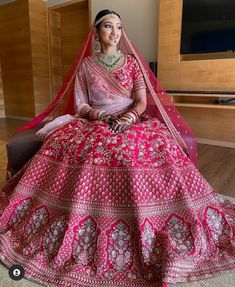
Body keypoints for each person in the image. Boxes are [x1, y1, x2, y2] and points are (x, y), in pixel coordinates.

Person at [0, 9, 235, 287]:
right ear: (97, 32)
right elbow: (81, 103)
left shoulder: (133, 63)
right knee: (81, 150)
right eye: (108, 27)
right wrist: (100, 117)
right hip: (95, 121)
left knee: (144, 151)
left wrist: (127, 119)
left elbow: (140, 101)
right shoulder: (86, 65)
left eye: (119, 27)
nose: (115, 32)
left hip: (131, 121)